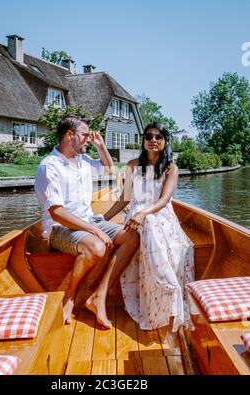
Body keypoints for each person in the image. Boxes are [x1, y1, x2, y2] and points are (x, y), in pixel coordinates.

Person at [34, 115, 140, 329]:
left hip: (89, 220)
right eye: (84, 136)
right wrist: (93, 229)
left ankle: (98, 296)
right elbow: (57, 213)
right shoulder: (49, 166)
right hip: (60, 228)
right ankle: (70, 297)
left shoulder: (83, 162)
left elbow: (109, 168)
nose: (88, 140)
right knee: (97, 247)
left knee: (133, 236)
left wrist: (101, 146)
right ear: (69, 135)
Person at [103, 122, 195, 333]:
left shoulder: (171, 168)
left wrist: (145, 213)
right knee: (143, 227)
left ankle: (166, 285)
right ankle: (164, 285)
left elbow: (163, 201)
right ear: (143, 141)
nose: (153, 140)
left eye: (158, 137)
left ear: (165, 142)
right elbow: (124, 200)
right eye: (149, 136)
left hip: (159, 215)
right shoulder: (132, 165)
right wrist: (102, 218)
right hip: (135, 216)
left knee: (151, 225)